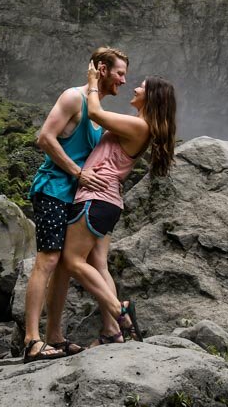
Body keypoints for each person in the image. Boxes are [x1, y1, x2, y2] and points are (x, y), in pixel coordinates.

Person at [21, 46, 129, 362]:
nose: (123, 80)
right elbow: (45, 138)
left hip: (76, 197)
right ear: (101, 69)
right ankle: (31, 340)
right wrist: (77, 172)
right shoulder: (73, 98)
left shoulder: (98, 112)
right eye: (120, 72)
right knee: (48, 259)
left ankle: (54, 335)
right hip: (54, 189)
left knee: (66, 266)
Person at [59, 61, 177, 346]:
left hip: (95, 198)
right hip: (109, 202)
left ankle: (118, 310)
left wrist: (91, 83)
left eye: (141, 87)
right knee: (99, 264)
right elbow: (97, 122)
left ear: (150, 98)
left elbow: (96, 112)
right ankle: (112, 332)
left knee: (72, 260)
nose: (134, 88)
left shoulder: (138, 126)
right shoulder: (139, 126)